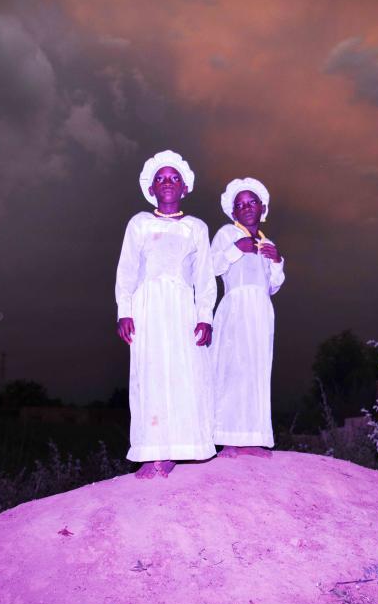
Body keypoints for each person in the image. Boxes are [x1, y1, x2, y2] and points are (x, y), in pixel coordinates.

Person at [115, 150, 217, 479]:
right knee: (150, 375)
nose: (168, 183)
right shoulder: (139, 224)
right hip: (148, 309)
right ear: (152, 188)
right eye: (161, 178)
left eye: (174, 178)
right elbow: (127, 272)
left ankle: (180, 449)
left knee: (185, 375)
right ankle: (151, 452)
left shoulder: (196, 228)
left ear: (185, 187)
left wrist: (205, 316)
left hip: (182, 309)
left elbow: (204, 277)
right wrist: (124, 311)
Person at [210, 178, 284, 458]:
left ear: (262, 207)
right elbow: (213, 266)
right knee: (233, 368)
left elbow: (274, 285)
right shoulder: (227, 234)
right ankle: (229, 438)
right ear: (233, 212)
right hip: (236, 307)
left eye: (251, 202)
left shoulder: (267, 242)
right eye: (239, 205)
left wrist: (277, 260)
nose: (246, 208)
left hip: (261, 311)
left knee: (256, 371)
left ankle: (252, 437)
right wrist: (235, 249)